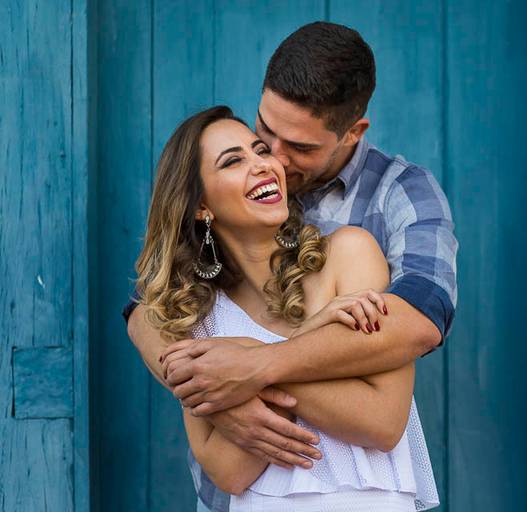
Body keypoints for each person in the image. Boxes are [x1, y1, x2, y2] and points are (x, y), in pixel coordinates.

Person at [124, 21, 457, 511]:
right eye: (264, 134)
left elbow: (416, 325)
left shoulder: (386, 208)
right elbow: (145, 312)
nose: (274, 160)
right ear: (200, 206)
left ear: (352, 133)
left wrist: (252, 363)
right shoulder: (198, 301)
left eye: (298, 147)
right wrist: (204, 380)